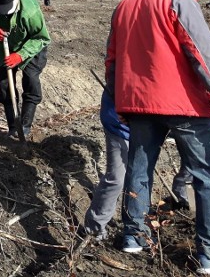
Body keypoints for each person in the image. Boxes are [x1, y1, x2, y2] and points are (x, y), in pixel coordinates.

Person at [106, 0, 210, 273]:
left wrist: (120, 103)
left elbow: (111, 62)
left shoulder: (124, 5)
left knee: (139, 169)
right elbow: (203, 56)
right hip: (184, 105)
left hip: (139, 104)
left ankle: (133, 237)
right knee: (209, 175)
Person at [82, 87, 192, 241]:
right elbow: (114, 76)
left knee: (194, 161)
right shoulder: (123, 68)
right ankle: (94, 229)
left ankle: (183, 204)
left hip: (162, 115)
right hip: (121, 124)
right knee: (117, 177)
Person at [0, 0, 50, 139]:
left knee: (31, 80)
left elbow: (42, 38)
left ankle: (25, 126)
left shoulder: (30, 11)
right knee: (5, 86)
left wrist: (20, 55)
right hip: (3, 47)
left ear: (16, 0)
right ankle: (13, 127)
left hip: (31, 45)